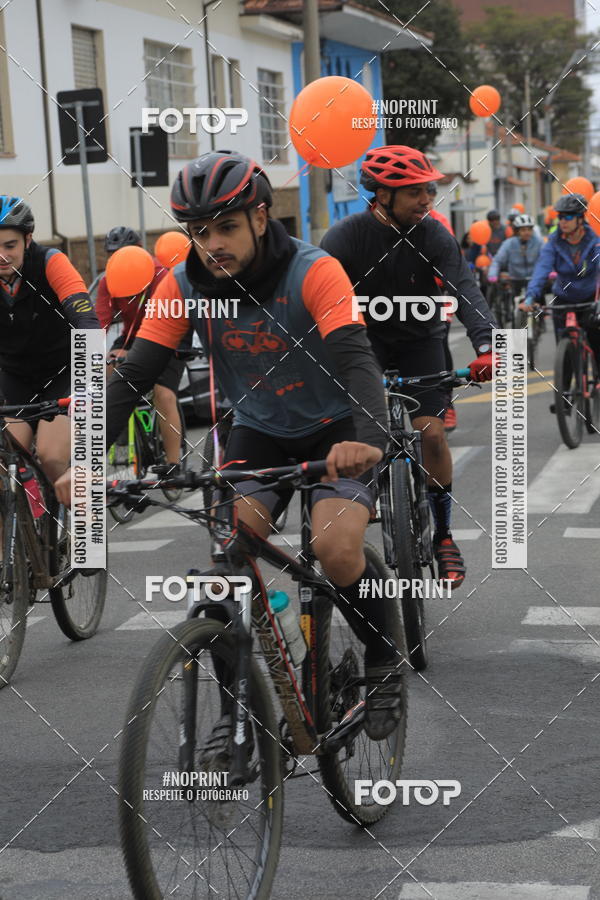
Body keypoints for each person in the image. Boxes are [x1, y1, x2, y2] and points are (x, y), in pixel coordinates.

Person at [56, 150, 405, 741]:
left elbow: (355, 359)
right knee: (225, 569)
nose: (212, 243)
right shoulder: (183, 283)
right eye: (199, 231)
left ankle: (384, 660)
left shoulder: (313, 271)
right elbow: (137, 373)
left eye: (226, 227)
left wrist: (369, 439)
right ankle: (234, 717)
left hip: (338, 428)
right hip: (260, 429)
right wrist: (85, 461)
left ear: (261, 218)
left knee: (336, 547)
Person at [321, 145, 498, 590]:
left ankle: (442, 534)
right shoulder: (344, 238)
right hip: (365, 346)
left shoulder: (435, 235)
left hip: (422, 342)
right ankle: (362, 504)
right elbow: (315, 302)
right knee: (362, 436)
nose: (426, 200)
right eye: (415, 192)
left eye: (429, 190)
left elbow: (465, 290)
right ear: (382, 195)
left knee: (431, 432)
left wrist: (486, 345)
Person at [0, 196, 100, 490]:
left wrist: (89, 381)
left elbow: (86, 320)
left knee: (51, 455)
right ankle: (28, 524)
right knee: (6, 463)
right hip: (16, 375)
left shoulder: (50, 261)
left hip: (62, 372)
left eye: (10, 245)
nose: (2, 255)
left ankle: (74, 524)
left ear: (27, 239)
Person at [96, 225, 189, 468]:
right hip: (132, 336)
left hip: (169, 334)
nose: (119, 260)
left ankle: (173, 464)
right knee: (110, 375)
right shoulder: (109, 280)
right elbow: (100, 321)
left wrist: (133, 352)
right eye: (112, 254)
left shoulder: (160, 276)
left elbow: (166, 318)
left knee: (163, 394)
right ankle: (122, 443)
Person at [521, 192, 600, 392]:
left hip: (590, 298)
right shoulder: (554, 241)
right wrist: (531, 296)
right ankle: (564, 392)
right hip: (563, 299)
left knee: (596, 340)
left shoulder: (595, 239)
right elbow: (542, 269)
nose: (562, 221)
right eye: (560, 217)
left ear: (581, 218)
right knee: (563, 350)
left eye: (568, 216)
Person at [424, 183, 457, 433]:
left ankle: (447, 402)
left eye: (430, 199)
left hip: (438, 292)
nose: (426, 203)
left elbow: (450, 262)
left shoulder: (439, 222)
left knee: (441, 341)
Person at [487, 213, 543, 296]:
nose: (527, 232)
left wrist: (551, 271)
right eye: (523, 230)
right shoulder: (509, 243)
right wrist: (492, 274)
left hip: (534, 280)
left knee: (540, 302)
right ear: (517, 231)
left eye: (529, 229)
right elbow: (497, 260)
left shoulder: (538, 242)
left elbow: (546, 259)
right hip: (515, 280)